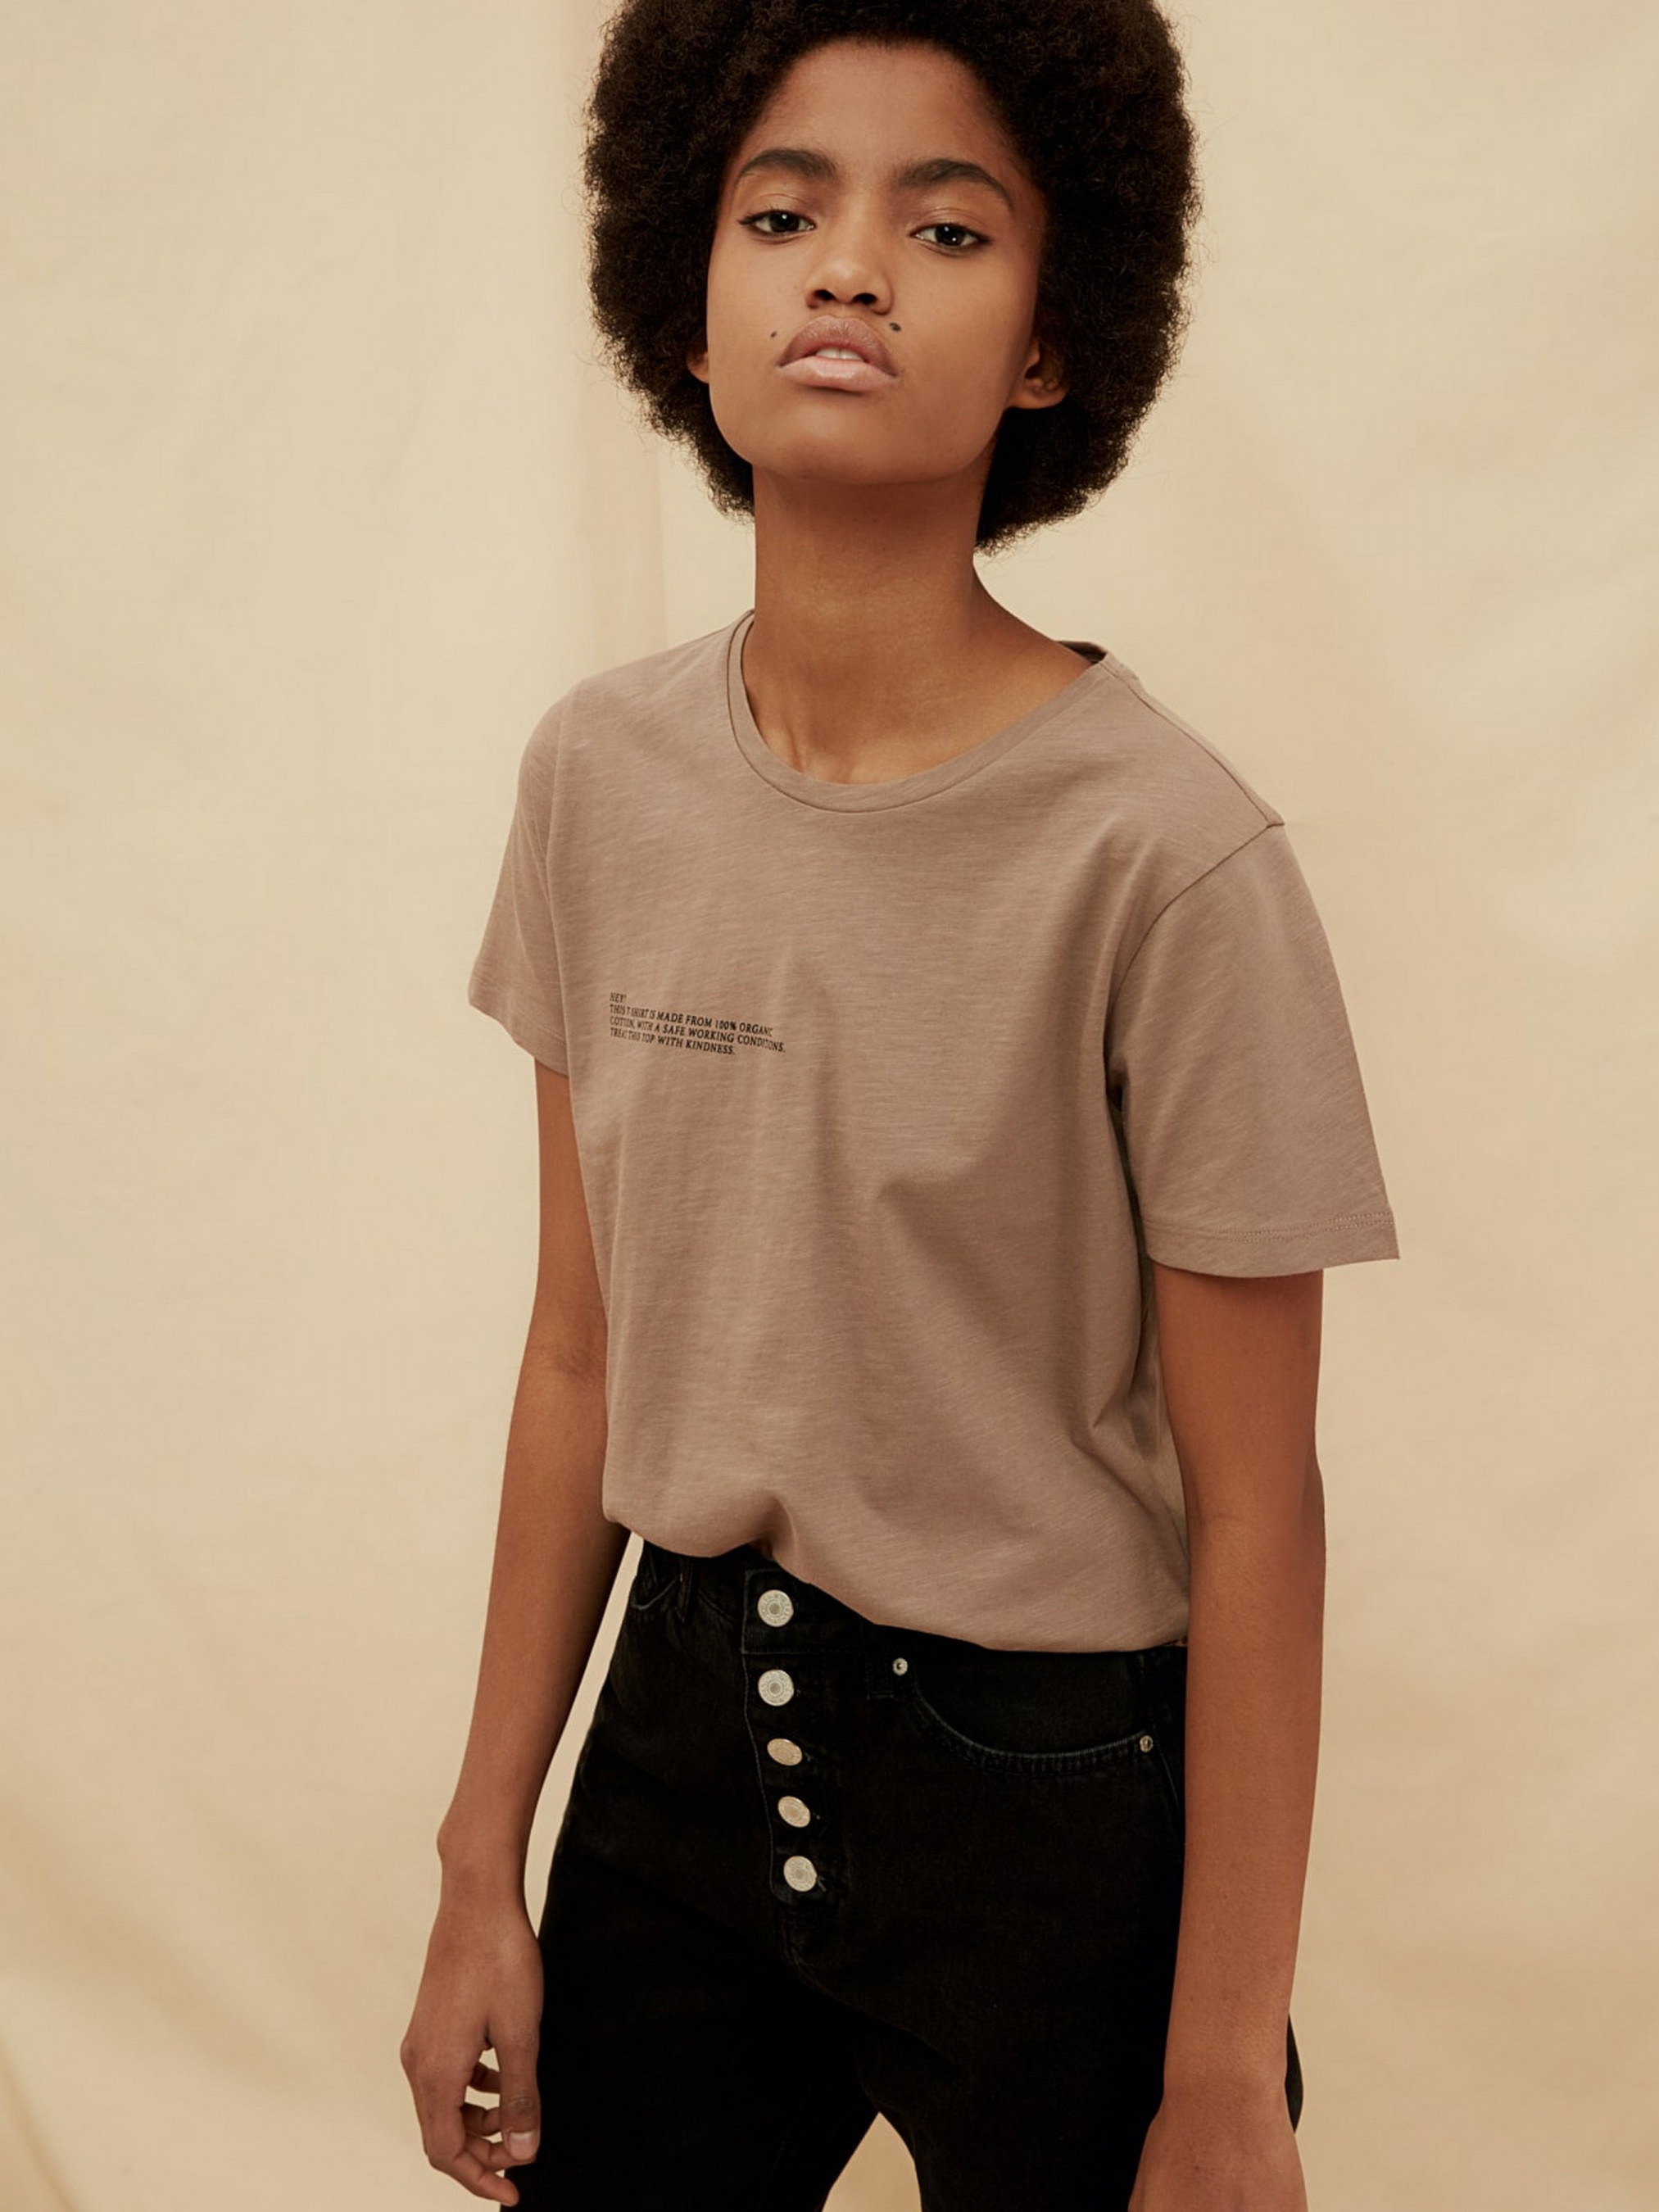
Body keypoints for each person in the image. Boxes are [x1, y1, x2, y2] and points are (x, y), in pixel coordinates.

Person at [401, 3, 1400, 2207]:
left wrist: (1222, 2068)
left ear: (1052, 341)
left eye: (946, 227)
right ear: (689, 299)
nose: (847, 266)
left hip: (1057, 1815)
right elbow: (579, 1352)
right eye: (781, 212)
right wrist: (484, 1860)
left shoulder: (1168, 860)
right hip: (670, 1763)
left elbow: (1259, 1506)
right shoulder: (596, 779)